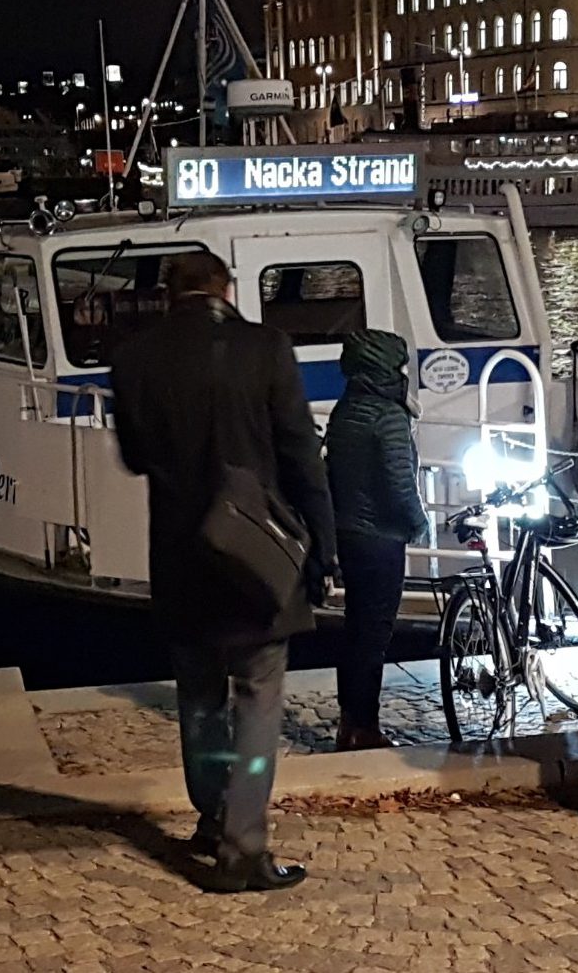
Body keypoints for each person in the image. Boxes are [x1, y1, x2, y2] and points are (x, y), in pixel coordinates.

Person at [110, 251, 338, 893]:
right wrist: (323, 545)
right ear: (226, 289)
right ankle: (243, 846)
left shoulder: (133, 357)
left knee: (199, 696)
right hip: (255, 551)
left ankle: (212, 821)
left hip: (180, 554)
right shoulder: (266, 348)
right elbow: (300, 453)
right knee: (259, 695)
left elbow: (135, 456)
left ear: (168, 294)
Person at [324, 328, 428, 752]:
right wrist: (418, 523)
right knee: (375, 634)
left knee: (355, 628)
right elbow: (399, 482)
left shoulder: (345, 409)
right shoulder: (388, 415)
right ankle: (364, 727)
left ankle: (349, 720)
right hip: (382, 538)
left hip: (349, 532)